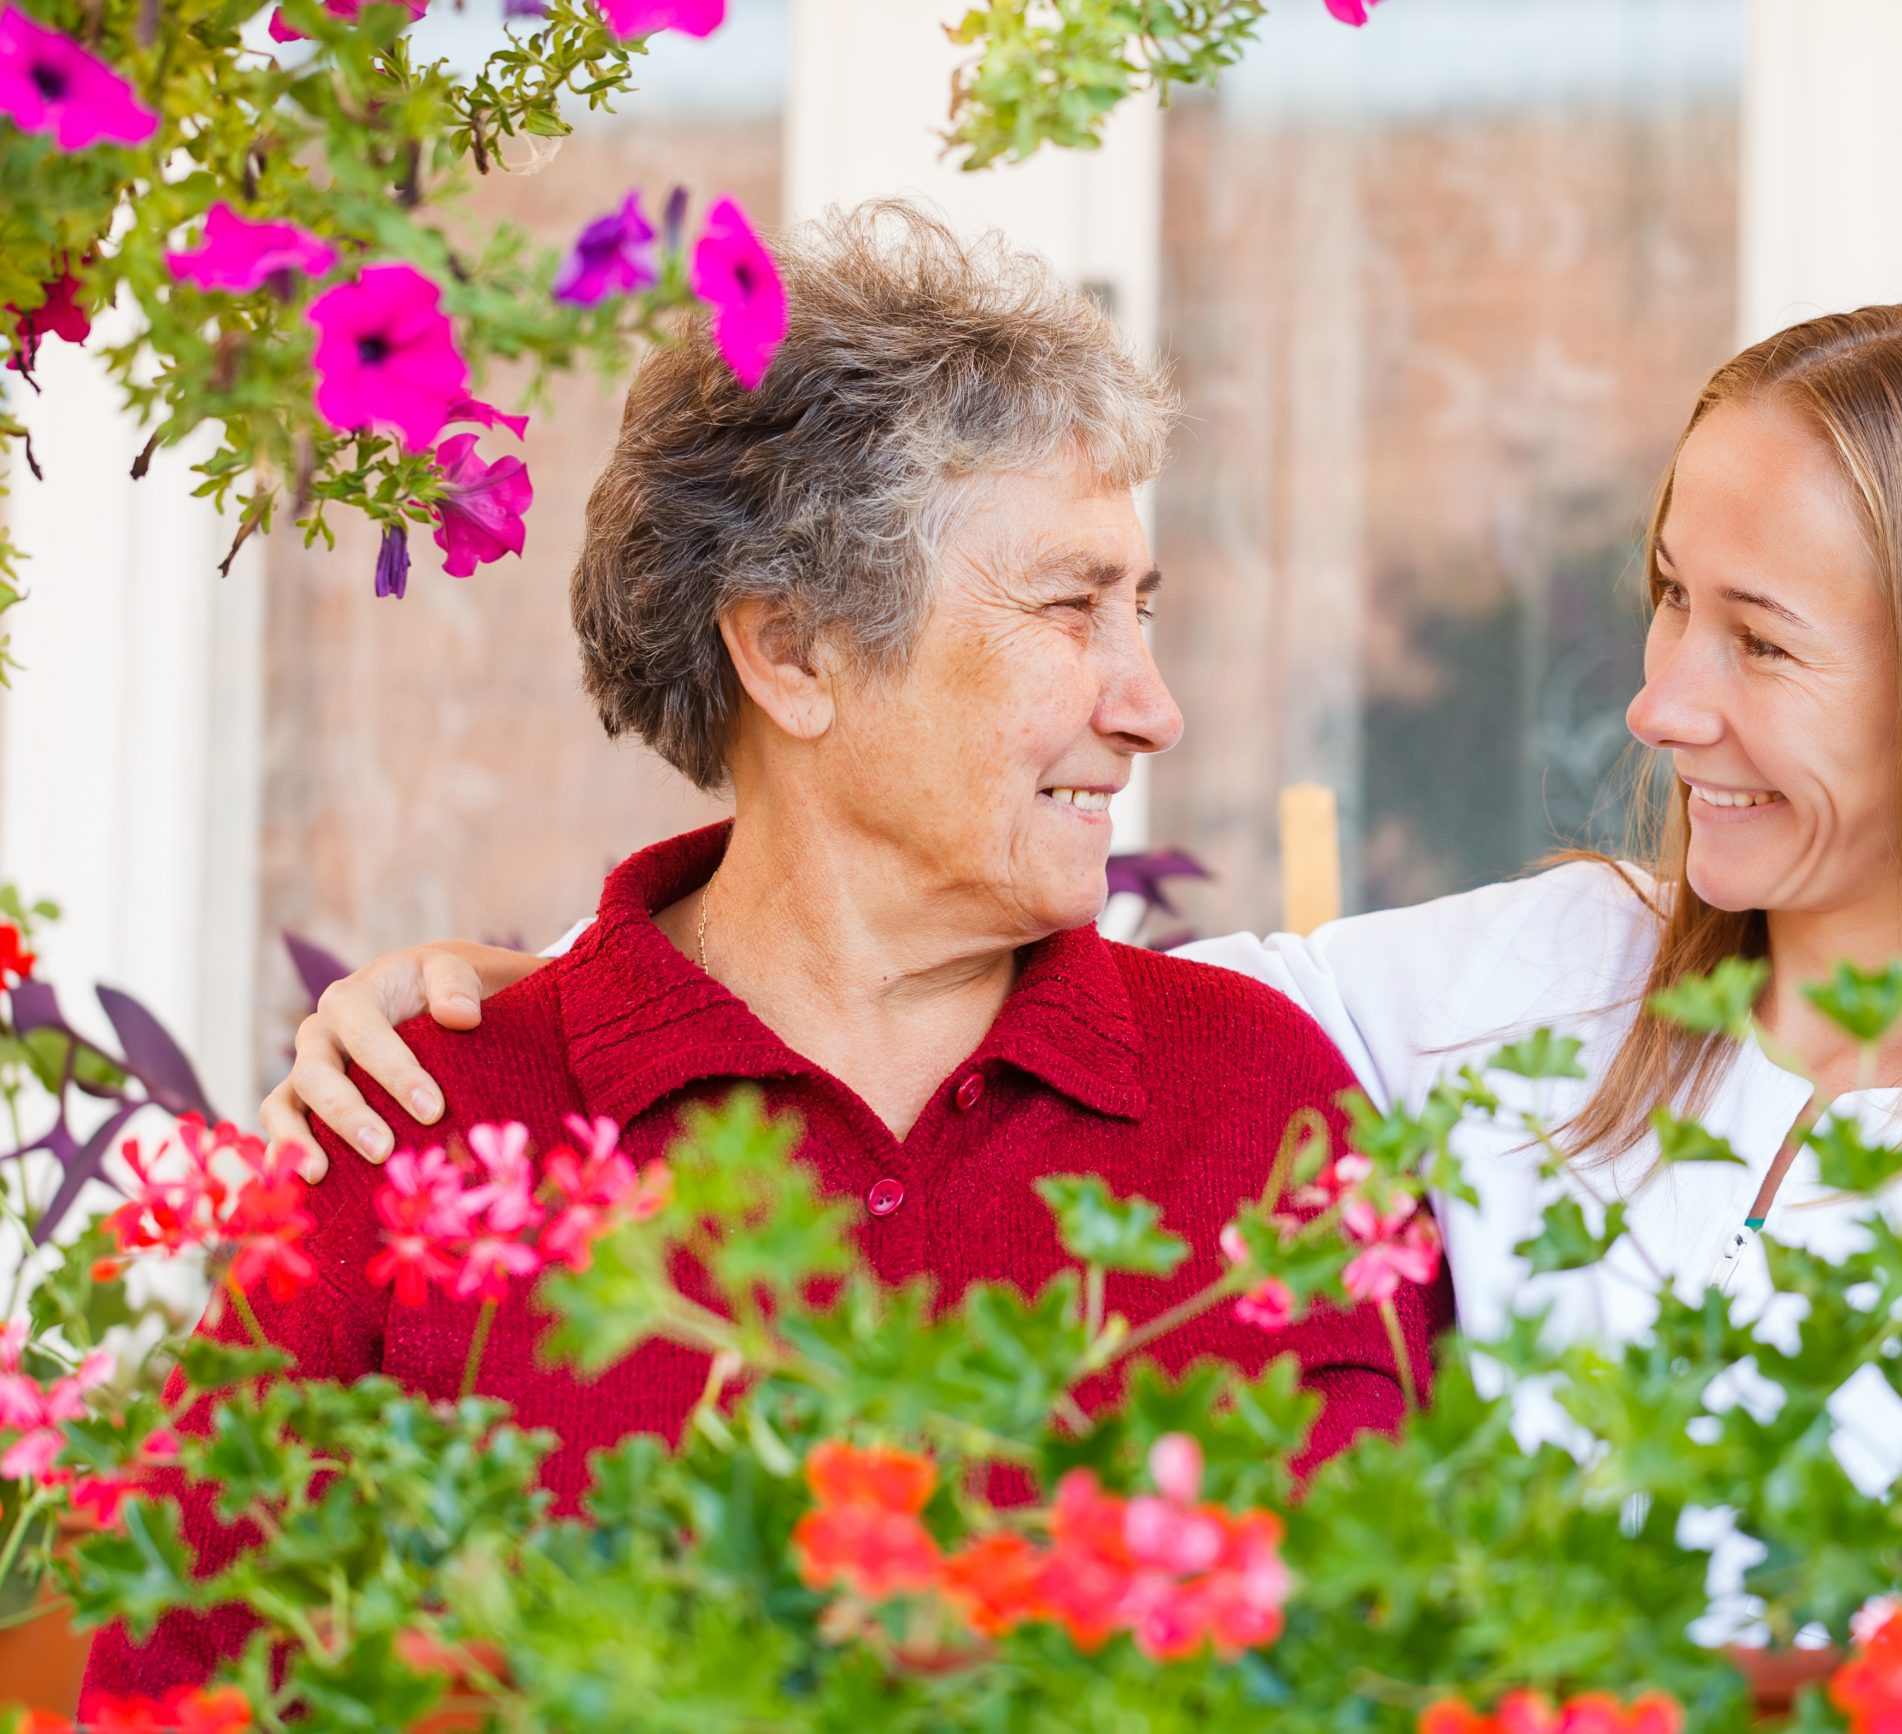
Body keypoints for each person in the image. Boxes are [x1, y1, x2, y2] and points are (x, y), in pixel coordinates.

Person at [272, 303, 1902, 1565]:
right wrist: (513, 1002)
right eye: (1660, 600)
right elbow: (890, 946)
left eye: (1757, 642)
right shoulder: (1545, 992)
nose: (1658, 701)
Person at [88, 202, 1449, 1703]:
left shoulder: (1258, 1102)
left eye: (1142, 607)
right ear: (790, 650)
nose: (1150, 704)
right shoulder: (426, 1129)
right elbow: (174, 1683)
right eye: (1072, 608)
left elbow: (1376, 1669)